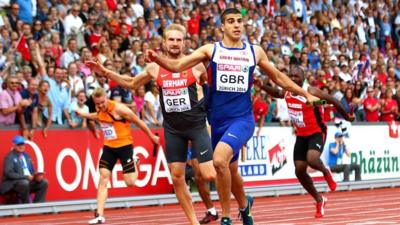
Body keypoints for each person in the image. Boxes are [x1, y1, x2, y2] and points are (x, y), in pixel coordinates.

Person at [145, 8, 319, 225]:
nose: (237, 25)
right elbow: (177, 65)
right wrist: (157, 58)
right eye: (231, 21)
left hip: (242, 119)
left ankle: (226, 216)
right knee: (230, 171)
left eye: (239, 21)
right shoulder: (211, 50)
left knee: (218, 161)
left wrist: (304, 93)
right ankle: (245, 206)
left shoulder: (254, 52)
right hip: (217, 121)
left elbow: (278, 77)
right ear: (222, 27)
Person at [86, 24, 218, 225]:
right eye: (171, 40)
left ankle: (235, 201)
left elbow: (215, 84)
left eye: (178, 40)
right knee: (176, 177)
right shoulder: (154, 68)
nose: (174, 44)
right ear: (164, 43)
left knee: (208, 174)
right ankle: (193, 222)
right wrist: (106, 72)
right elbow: (131, 83)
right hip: (173, 129)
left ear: (184, 42)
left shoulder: (197, 64)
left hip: (196, 126)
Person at [258, 66, 355, 218]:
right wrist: (261, 85)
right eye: (291, 75)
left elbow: (333, 101)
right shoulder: (288, 91)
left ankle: (325, 171)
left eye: (296, 76)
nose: (293, 78)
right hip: (301, 135)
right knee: (299, 170)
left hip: (317, 132)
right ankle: (319, 199)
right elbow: (277, 93)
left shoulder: (312, 92)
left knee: (312, 159)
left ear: (303, 77)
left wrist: (347, 117)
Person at [76, 88, 159, 224]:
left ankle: (134, 161)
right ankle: (99, 215)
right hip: (109, 147)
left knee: (130, 182)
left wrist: (151, 136)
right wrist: (83, 114)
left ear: (106, 98)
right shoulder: (99, 109)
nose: (101, 106)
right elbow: (97, 116)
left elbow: (138, 122)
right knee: (103, 178)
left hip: (124, 146)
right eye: (98, 104)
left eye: (103, 102)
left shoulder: (120, 109)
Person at [0, 135, 48, 203]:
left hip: (27, 182)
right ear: (14, 145)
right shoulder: (9, 157)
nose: (21, 146)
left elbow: (32, 170)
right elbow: (8, 173)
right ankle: (26, 206)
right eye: (19, 144)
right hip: (13, 183)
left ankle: (38, 205)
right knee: (24, 183)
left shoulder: (26, 156)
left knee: (44, 182)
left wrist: (36, 176)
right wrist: (25, 177)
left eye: (22, 144)